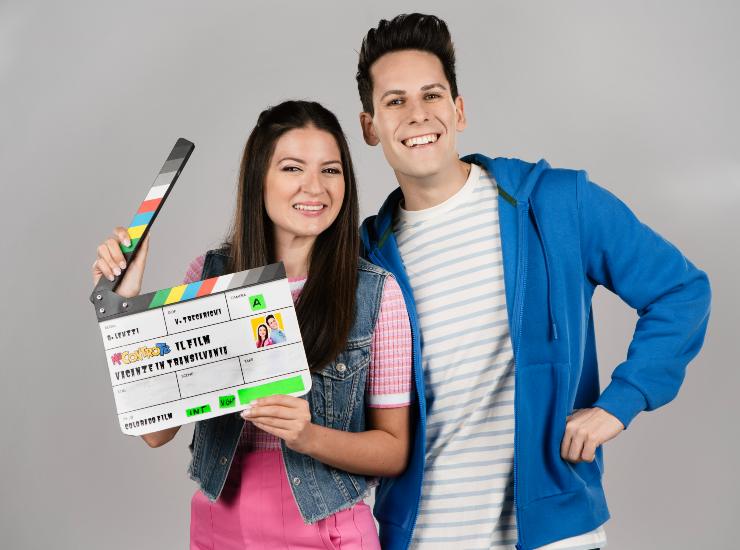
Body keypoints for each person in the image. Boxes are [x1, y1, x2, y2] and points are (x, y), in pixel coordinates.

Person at [355, 13, 711, 550]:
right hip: (420, 536)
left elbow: (681, 291)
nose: (417, 114)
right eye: (395, 101)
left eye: (432, 95)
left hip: (554, 537)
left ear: (458, 109)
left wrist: (620, 402)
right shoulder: (366, 257)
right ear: (370, 126)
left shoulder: (555, 203)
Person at [91, 100, 414, 549]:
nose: (314, 187)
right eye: (292, 168)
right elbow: (155, 432)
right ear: (259, 178)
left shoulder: (375, 293)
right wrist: (126, 307)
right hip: (220, 527)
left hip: (328, 531)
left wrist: (309, 436)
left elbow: (394, 451)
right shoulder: (207, 277)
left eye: (331, 170)